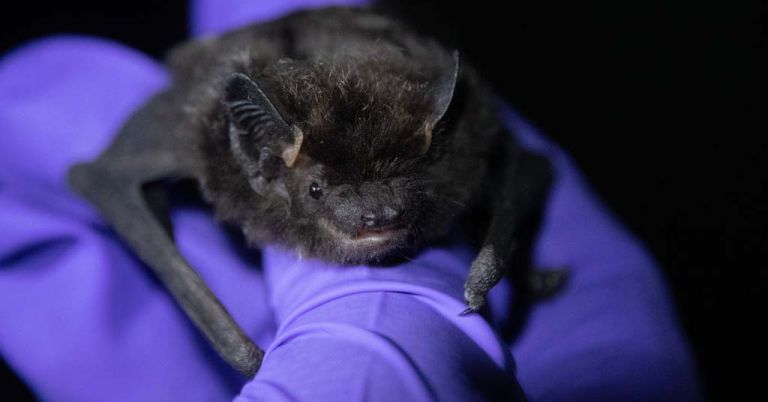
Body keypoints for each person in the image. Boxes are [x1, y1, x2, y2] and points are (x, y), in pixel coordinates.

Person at [0, 1, 701, 400]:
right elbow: (103, 177)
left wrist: (500, 255)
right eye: (324, 190)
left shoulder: (452, 142)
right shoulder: (216, 139)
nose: (376, 214)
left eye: (397, 183)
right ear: (268, 166)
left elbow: (514, 162)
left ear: (429, 140)